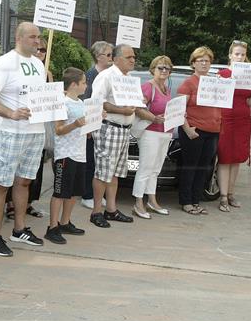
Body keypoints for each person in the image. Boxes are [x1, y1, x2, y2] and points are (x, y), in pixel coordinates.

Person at [0, 22, 47, 257]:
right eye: (32, 37)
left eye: (38, 37)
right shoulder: (5, 63)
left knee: (25, 181)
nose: (37, 41)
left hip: (35, 131)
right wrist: (10, 113)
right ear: (19, 38)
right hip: (10, 131)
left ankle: (19, 228)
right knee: (1, 183)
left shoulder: (39, 64)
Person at [88, 43, 138, 228]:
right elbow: (97, 102)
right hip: (109, 128)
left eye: (133, 57)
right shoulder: (106, 77)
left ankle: (111, 209)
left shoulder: (130, 78)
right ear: (116, 59)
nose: (133, 60)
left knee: (115, 172)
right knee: (103, 172)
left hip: (124, 130)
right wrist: (121, 110)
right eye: (128, 57)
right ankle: (96, 211)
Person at [4, 45, 54, 220]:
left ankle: (28, 203)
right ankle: (10, 204)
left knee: (34, 169)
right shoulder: (17, 67)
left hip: (38, 124)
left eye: (43, 50)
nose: (40, 52)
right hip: (18, 125)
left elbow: (50, 96)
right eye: (38, 49)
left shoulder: (45, 72)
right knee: (14, 169)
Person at [216, 41, 251, 211]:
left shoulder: (250, 76)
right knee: (225, 157)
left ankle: (231, 194)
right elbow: (216, 97)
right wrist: (224, 82)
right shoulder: (222, 74)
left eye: (243, 54)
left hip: (243, 119)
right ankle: (222, 197)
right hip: (225, 119)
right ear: (230, 55)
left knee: (237, 158)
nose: (240, 57)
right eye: (237, 54)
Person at [45, 67, 89, 244]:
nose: (86, 85)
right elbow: (59, 129)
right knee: (60, 192)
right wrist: (76, 125)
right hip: (65, 154)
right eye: (84, 82)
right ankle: (52, 226)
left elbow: (86, 127)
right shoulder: (63, 103)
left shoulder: (81, 103)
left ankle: (65, 222)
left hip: (80, 153)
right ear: (74, 84)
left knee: (73, 193)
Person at [177, 46, 221, 215]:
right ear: (193, 63)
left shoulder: (215, 83)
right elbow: (179, 109)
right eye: (200, 60)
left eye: (207, 60)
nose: (204, 63)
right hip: (194, 131)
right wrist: (187, 129)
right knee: (190, 167)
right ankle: (186, 201)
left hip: (212, 131)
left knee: (204, 168)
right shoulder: (188, 83)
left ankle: (196, 200)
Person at [131, 56, 174, 219]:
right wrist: (153, 118)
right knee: (145, 168)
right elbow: (137, 108)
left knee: (155, 169)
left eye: (167, 68)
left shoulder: (166, 89)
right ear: (153, 69)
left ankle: (152, 200)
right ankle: (138, 203)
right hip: (150, 132)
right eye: (160, 68)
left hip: (165, 132)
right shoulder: (148, 87)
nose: (164, 71)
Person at [80, 41, 114, 209]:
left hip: (104, 125)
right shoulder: (91, 75)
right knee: (90, 161)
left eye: (112, 54)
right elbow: (86, 100)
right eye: (108, 55)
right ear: (98, 57)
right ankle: (87, 195)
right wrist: (87, 126)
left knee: (100, 161)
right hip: (92, 125)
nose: (111, 58)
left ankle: (96, 195)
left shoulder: (110, 75)